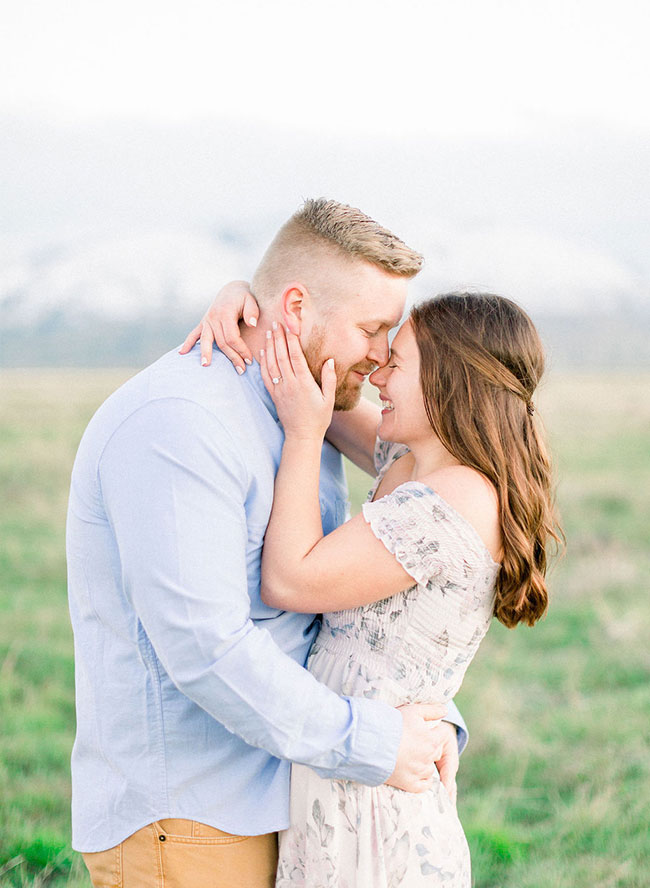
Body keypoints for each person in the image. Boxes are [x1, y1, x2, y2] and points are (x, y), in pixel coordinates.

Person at [66, 199, 468, 888]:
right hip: (192, 821)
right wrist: (373, 740)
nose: (379, 358)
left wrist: (426, 718)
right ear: (294, 307)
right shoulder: (181, 424)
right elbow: (206, 648)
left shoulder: (304, 407)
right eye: (372, 329)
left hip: (285, 800)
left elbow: (335, 599)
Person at [187, 288, 562, 886]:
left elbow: (289, 578)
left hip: (375, 799)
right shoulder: (416, 459)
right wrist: (249, 302)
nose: (379, 374)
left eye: (398, 363)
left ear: (447, 382)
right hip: (351, 769)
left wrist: (303, 438)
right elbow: (317, 390)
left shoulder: (454, 498)